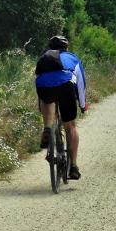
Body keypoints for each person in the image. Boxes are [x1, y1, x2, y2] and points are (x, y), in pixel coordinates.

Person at [35, 35, 86, 180]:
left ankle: (48, 127)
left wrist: (41, 104)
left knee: (47, 99)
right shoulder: (73, 58)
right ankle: (74, 166)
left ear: (50, 47)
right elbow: (81, 85)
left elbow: (39, 80)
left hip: (44, 89)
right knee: (70, 126)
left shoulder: (44, 58)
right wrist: (82, 105)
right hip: (65, 87)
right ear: (66, 47)